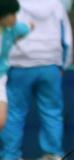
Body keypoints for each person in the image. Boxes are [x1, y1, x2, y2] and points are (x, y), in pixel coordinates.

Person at [0, 0, 73, 160]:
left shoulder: (13, 5)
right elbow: (66, 38)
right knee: (52, 111)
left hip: (19, 65)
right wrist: (62, 64)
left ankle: (10, 155)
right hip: (50, 64)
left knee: (14, 112)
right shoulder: (57, 5)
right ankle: (54, 154)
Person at [0, 0, 31, 130]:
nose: (14, 18)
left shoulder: (12, 29)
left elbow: (26, 28)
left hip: (1, 77)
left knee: (1, 121)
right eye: (11, 14)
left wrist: (15, 38)